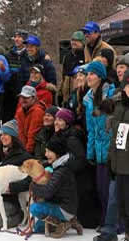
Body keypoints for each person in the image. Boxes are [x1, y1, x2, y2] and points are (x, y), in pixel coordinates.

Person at [83, 61, 116, 230]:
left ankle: (115, 222)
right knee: (101, 189)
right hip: (99, 150)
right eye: (87, 74)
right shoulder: (87, 98)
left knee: (112, 191)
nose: (88, 77)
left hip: (112, 148)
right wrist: (90, 152)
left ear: (100, 76)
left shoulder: (111, 93)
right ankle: (105, 219)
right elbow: (90, 129)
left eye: (92, 74)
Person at [30, 134, 82, 238]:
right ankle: (69, 220)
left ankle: (63, 223)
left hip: (65, 208)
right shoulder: (59, 166)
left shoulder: (61, 171)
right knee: (38, 228)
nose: (46, 154)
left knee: (34, 208)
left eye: (49, 152)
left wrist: (33, 187)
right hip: (64, 206)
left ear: (58, 153)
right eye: (46, 151)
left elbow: (48, 192)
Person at [107, 72, 129, 241]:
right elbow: (116, 138)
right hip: (120, 163)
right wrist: (111, 161)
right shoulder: (118, 105)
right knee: (122, 203)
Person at [3, 29, 29, 122]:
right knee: (8, 118)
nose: (17, 39)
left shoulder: (29, 55)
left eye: (20, 37)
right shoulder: (8, 55)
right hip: (9, 92)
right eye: (16, 37)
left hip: (24, 91)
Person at [15, 85, 45, 154]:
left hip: (36, 149)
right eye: (21, 97)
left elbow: (33, 135)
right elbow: (20, 133)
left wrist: (26, 153)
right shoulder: (20, 111)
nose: (23, 100)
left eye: (26, 97)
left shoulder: (38, 112)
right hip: (24, 147)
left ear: (34, 98)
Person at [59, 31, 85, 106]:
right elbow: (63, 76)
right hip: (67, 93)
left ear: (82, 42)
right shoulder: (67, 56)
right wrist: (61, 92)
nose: (74, 42)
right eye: (73, 40)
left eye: (77, 41)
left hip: (80, 93)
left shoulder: (86, 55)